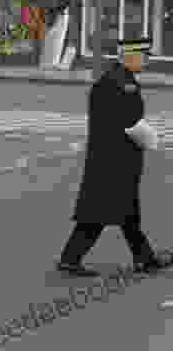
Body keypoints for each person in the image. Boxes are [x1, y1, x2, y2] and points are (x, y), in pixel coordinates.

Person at [57, 37, 173, 277]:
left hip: (107, 158)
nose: (146, 60)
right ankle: (71, 259)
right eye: (143, 56)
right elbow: (131, 123)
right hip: (116, 160)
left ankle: (144, 258)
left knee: (121, 212)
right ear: (128, 57)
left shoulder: (114, 79)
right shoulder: (123, 84)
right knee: (101, 213)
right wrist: (153, 140)